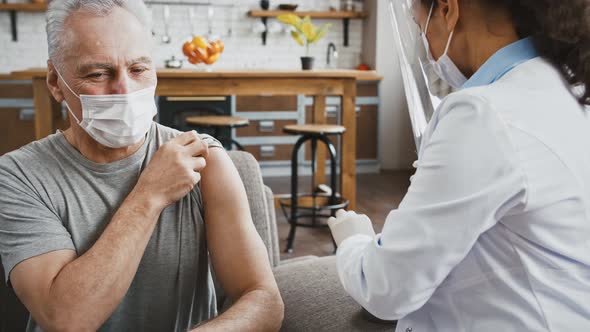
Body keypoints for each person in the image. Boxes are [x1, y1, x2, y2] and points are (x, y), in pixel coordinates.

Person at [0, 0, 284, 331]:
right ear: (54, 82)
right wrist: (149, 194)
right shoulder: (18, 177)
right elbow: (66, 320)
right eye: (99, 73)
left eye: (138, 69)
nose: (125, 90)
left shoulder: (205, 159)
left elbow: (263, 299)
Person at [328, 0, 590, 331]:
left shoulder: (484, 115)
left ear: (449, 10)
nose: (423, 40)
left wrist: (354, 241)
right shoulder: (568, 87)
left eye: (417, 22)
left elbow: (386, 290)